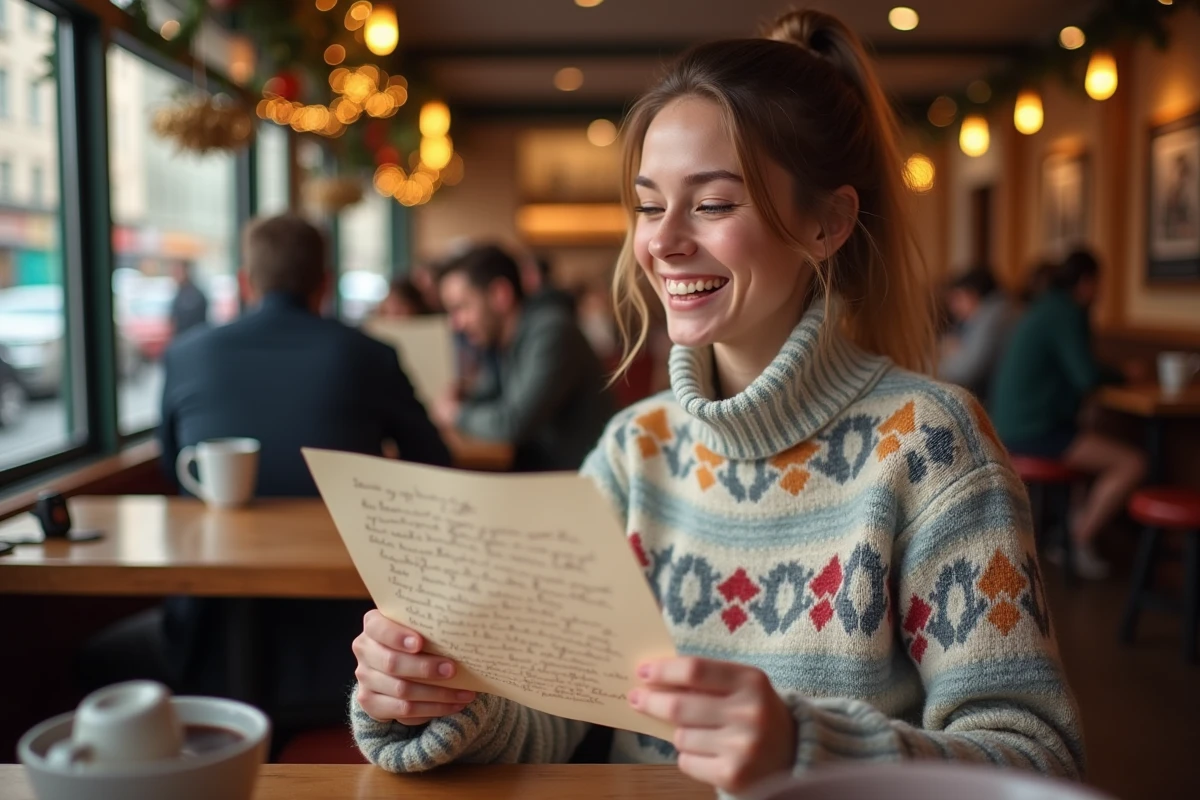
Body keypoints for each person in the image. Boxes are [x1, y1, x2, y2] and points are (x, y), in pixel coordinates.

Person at [349, 10, 1083, 797]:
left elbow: (1034, 758)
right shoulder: (636, 450)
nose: (662, 241)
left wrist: (808, 749)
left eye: (713, 204)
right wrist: (447, 697)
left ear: (828, 223)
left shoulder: (931, 447)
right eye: (648, 203)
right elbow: (562, 711)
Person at [82, 214, 451, 732]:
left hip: (203, 633)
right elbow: (434, 468)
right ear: (325, 284)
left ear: (243, 281)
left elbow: (173, 469)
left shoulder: (186, 354)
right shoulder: (370, 354)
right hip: (352, 642)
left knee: (99, 656)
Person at [990, 250, 1147, 579]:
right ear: (1087, 282)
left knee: (1089, 449)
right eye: (1099, 284)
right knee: (1131, 463)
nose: (1101, 292)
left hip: (1011, 426)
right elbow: (1086, 375)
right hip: (1033, 430)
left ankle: (1070, 535)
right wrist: (1126, 375)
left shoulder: (1045, 307)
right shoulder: (1066, 312)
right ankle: (1079, 538)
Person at [432, 243, 614, 472]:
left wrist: (454, 413)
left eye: (462, 307)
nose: (455, 324)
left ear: (500, 295)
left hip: (577, 482)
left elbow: (512, 423)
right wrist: (465, 394)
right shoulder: (503, 339)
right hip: (542, 475)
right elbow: (489, 396)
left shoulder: (551, 331)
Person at [937, 265, 1017, 400]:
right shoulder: (1000, 311)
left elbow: (966, 370)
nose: (954, 308)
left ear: (972, 295)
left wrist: (940, 358)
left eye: (957, 299)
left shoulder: (993, 316)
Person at [168, 260, 209, 338]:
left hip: (191, 337)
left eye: (178, 271)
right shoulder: (181, 292)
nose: (175, 275)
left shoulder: (193, 295)